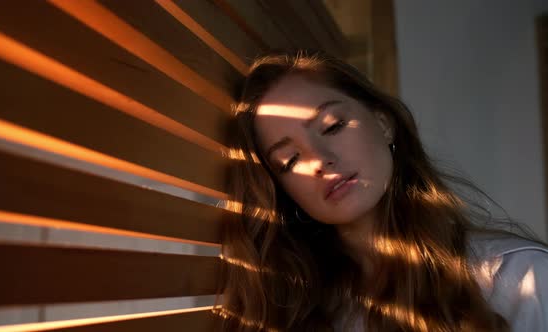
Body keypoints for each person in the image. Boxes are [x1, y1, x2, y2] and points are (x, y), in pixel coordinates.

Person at [212, 49, 548, 331]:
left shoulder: (518, 277)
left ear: (384, 123)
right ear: (283, 189)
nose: (319, 161)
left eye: (332, 126)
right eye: (289, 160)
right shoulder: (299, 308)